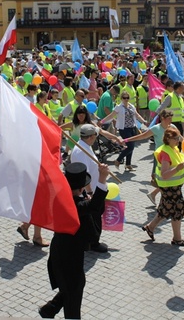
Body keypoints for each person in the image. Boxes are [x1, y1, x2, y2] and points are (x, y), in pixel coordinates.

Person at [39, 162, 109, 319]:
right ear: (81, 188)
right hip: (68, 257)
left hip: (63, 252)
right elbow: (94, 206)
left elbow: (92, 206)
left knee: (73, 287)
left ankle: (50, 309)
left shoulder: (61, 198)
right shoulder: (75, 205)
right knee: (73, 296)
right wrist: (102, 179)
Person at [70, 124, 119, 253]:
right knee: (95, 215)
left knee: (95, 215)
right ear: (91, 137)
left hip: (95, 187)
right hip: (91, 190)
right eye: (94, 136)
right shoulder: (81, 151)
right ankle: (93, 242)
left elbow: (98, 129)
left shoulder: (85, 145)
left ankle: (90, 240)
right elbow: (84, 174)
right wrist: (90, 192)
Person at [141, 127, 184, 246]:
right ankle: (177, 239)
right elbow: (164, 174)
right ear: (168, 139)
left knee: (165, 209)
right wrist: (177, 168)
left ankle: (150, 227)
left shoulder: (173, 149)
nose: (178, 140)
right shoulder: (165, 153)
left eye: (179, 137)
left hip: (173, 186)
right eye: (176, 138)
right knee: (177, 211)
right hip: (170, 187)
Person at [124, 109, 180, 205]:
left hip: (171, 157)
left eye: (171, 118)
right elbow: (142, 136)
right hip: (160, 158)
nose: (170, 121)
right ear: (162, 118)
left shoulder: (173, 127)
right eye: (169, 118)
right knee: (163, 179)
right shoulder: (156, 129)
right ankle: (163, 201)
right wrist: (127, 140)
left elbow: (181, 138)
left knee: (168, 178)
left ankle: (155, 196)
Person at [100, 91, 147, 171]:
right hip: (124, 129)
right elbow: (111, 115)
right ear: (121, 98)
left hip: (132, 128)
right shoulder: (119, 107)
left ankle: (128, 164)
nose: (126, 99)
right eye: (124, 98)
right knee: (130, 146)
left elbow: (137, 115)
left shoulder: (131, 106)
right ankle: (118, 160)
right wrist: (102, 121)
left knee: (131, 146)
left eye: (127, 98)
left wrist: (144, 122)